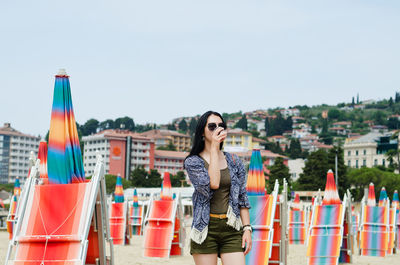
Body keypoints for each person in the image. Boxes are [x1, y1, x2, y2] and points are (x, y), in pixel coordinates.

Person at [184, 111, 252, 265]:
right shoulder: (193, 162)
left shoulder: (234, 160)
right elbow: (212, 184)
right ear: (202, 131)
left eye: (221, 125)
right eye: (212, 126)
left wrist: (247, 228)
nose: (217, 128)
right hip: (205, 229)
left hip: (232, 227)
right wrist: (214, 149)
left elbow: (242, 197)